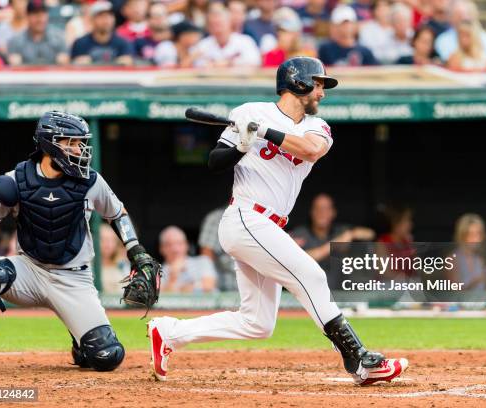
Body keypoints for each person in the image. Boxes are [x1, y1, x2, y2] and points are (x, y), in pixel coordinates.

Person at [147, 57, 408, 385]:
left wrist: (264, 132)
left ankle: (169, 332)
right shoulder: (248, 112)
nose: (321, 93)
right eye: (317, 85)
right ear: (297, 82)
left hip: (268, 225)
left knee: (257, 323)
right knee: (311, 275)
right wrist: (242, 145)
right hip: (245, 217)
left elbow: (311, 151)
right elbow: (215, 162)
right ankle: (358, 360)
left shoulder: (317, 127)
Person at [0, 111, 161, 371]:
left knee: (107, 357)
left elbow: (118, 215)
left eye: (80, 143)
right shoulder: (15, 180)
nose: (79, 149)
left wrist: (135, 250)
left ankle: (81, 341)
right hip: (29, 269)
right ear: (49, 144)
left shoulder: (91, 181)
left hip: (73, 278)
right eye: (70, 142)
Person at [291, 193, 374, 287]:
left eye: (326, 209)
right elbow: (297, 261)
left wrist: (352, 234)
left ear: (333, 212)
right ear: (312, 212)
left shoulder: (341, 231)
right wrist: (335, 244)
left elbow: (370, 234)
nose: (322, 212)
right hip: (308, 292)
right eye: (318, 208)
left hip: (340, 293)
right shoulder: (300, 234)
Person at [447, 213, 486, 291]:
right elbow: (456, 293)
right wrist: (479, 280)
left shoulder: (479, 259)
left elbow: (480, 293)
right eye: (471, 234)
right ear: (462, 235)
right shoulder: (452, 260)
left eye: (479, 234)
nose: (477, 239)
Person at [192, 5, 261, 68]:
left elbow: (256, 62)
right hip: (212, 81)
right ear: (208, 27)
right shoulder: (203, 45)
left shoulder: (245, 41)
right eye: (212, 24)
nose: (217, 28)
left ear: (229, 22)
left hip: (239, 80)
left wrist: (229, 63)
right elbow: (195, 64)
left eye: (219, 23)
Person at [71, 1, 133, 66]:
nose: (106, 20)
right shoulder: (80, 43)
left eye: (110, 16)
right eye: (101, 16)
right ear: (92, 19)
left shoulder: (123, 43)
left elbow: (129, 63)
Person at [158, 226, 218, 293]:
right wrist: (173, 276)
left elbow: (208, 286)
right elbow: (163, 298)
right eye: (169, 245)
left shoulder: (203, 261)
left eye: (179, 243)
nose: (175, 249)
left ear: (187, 245)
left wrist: (179, 289)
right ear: (161, 248)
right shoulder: (157, 272)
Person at [7, 0, 68, 66]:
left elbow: (65, 62)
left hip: (52, 75)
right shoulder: (16, 41)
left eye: (42, 14)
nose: (39, 19)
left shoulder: (58, 37)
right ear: (27, 16)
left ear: (47, 15)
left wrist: (63, 60)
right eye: (35, 14)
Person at [198, 206, 237, 290]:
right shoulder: (218, 217)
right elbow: (207, 254)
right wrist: (208, 283)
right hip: (227, 290)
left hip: (259, 289)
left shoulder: (262, 217)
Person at [99, 223, 130, 294]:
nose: (107, 244)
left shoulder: (123, 266)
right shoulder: (87, 266)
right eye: (103, 239)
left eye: (112, 240)